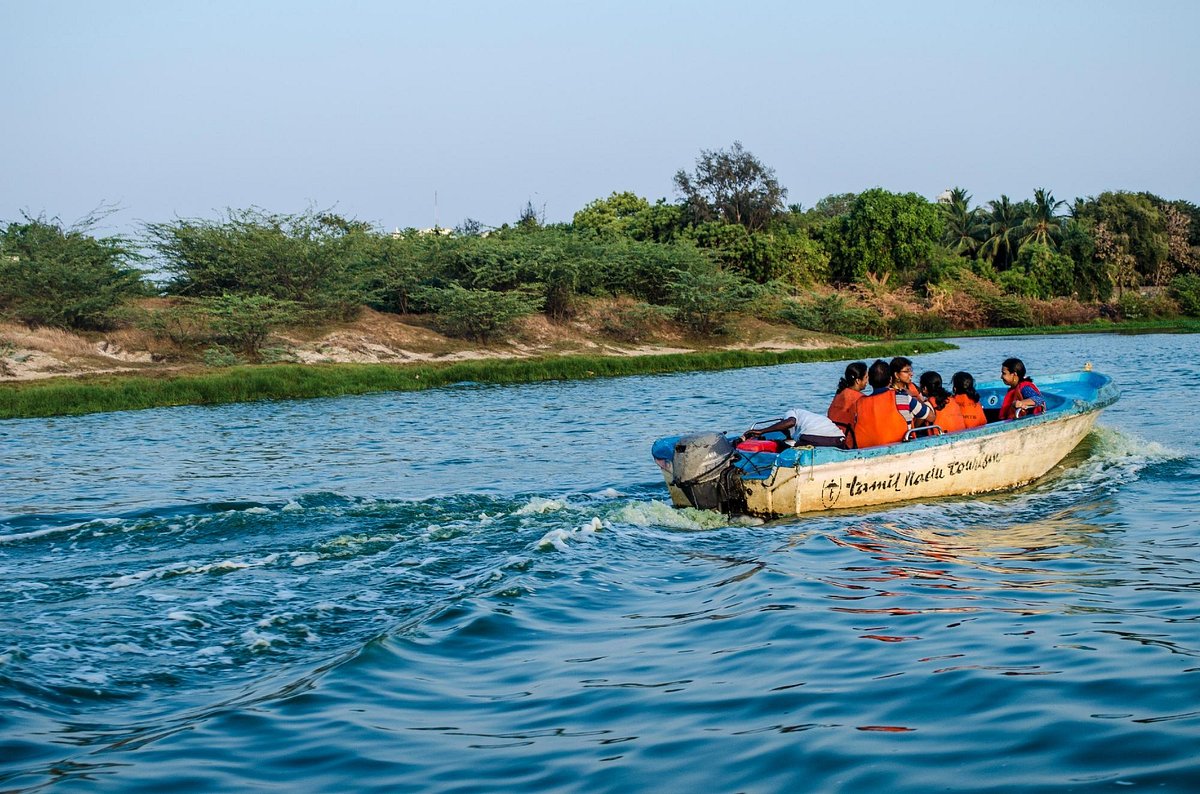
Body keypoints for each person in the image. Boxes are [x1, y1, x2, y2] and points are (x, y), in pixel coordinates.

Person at [848, 359, 934, 448]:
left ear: (870, 382)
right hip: (901, 446)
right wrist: (916, 398)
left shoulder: (858, 403)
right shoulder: (903, 397)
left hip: (868, 449)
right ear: (890, 379)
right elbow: (931, 417)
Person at [745, 407, 846, 448]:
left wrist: (762, 431)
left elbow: (791, 422)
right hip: (840, 440)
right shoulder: (811, 417)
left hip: (814, 437)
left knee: (788, 448)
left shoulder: (792, 412)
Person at [826, 361, 868, 432]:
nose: (867, 381)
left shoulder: (839, 394)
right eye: (866, 377)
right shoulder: (861, 399)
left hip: (834, 436)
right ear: (858, 380)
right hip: (849, 439)